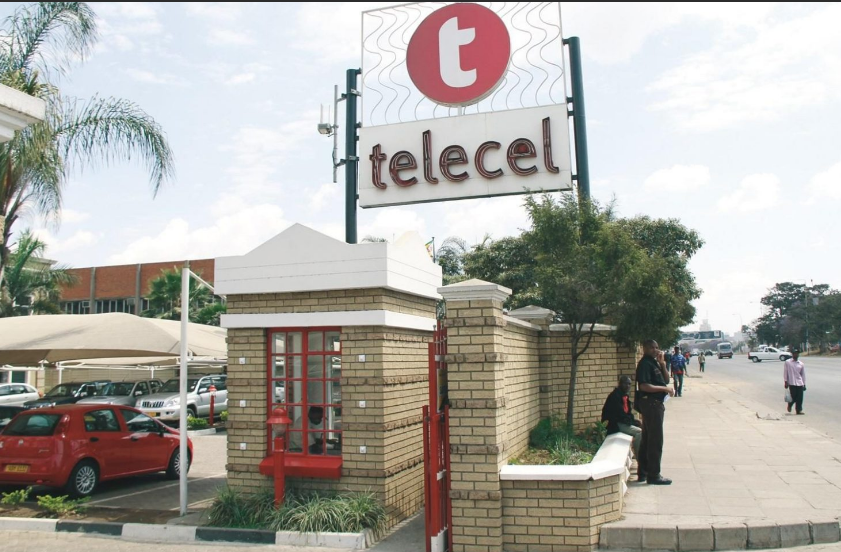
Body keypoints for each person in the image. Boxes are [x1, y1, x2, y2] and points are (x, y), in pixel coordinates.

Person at [635, 339, 675, 485]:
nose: (655, 350)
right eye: (652, 347)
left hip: (655, 404)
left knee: (647, 439)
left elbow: (665, 379)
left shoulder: (654, 363)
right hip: (651, 404)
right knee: (655, 440)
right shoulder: (644, 364)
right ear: (644, 348)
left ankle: (644, 473)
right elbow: (644, 386)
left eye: (657, 347)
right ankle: (654, 475)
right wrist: (665, 389)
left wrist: (662, 364)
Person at [601, 376, 642, 459]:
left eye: (629, 384)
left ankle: (642, 453)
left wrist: (635, 421)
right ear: (620, 384)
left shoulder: (624, 396)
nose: (628, 386)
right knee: (639, 432)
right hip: (614, 424)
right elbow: (620, 415)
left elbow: (627, 413)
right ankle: (639, 458)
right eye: (625, 384)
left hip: (621, 422)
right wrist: (633, 422)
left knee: (643, 427)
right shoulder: (615, 396)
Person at [784, 348, 806, 415]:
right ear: (792, 354)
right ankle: (790, 405)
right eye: (795, 353)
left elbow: (803, 375)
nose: (796, 355)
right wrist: (786, 381)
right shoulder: (788, 362)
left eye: (797, 353)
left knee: (800, 397)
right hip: (792, 382)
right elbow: (785, 372)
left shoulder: (801, 364)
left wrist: (804, 384)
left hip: (799, 382)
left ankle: (798, 410)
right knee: (793, 396)